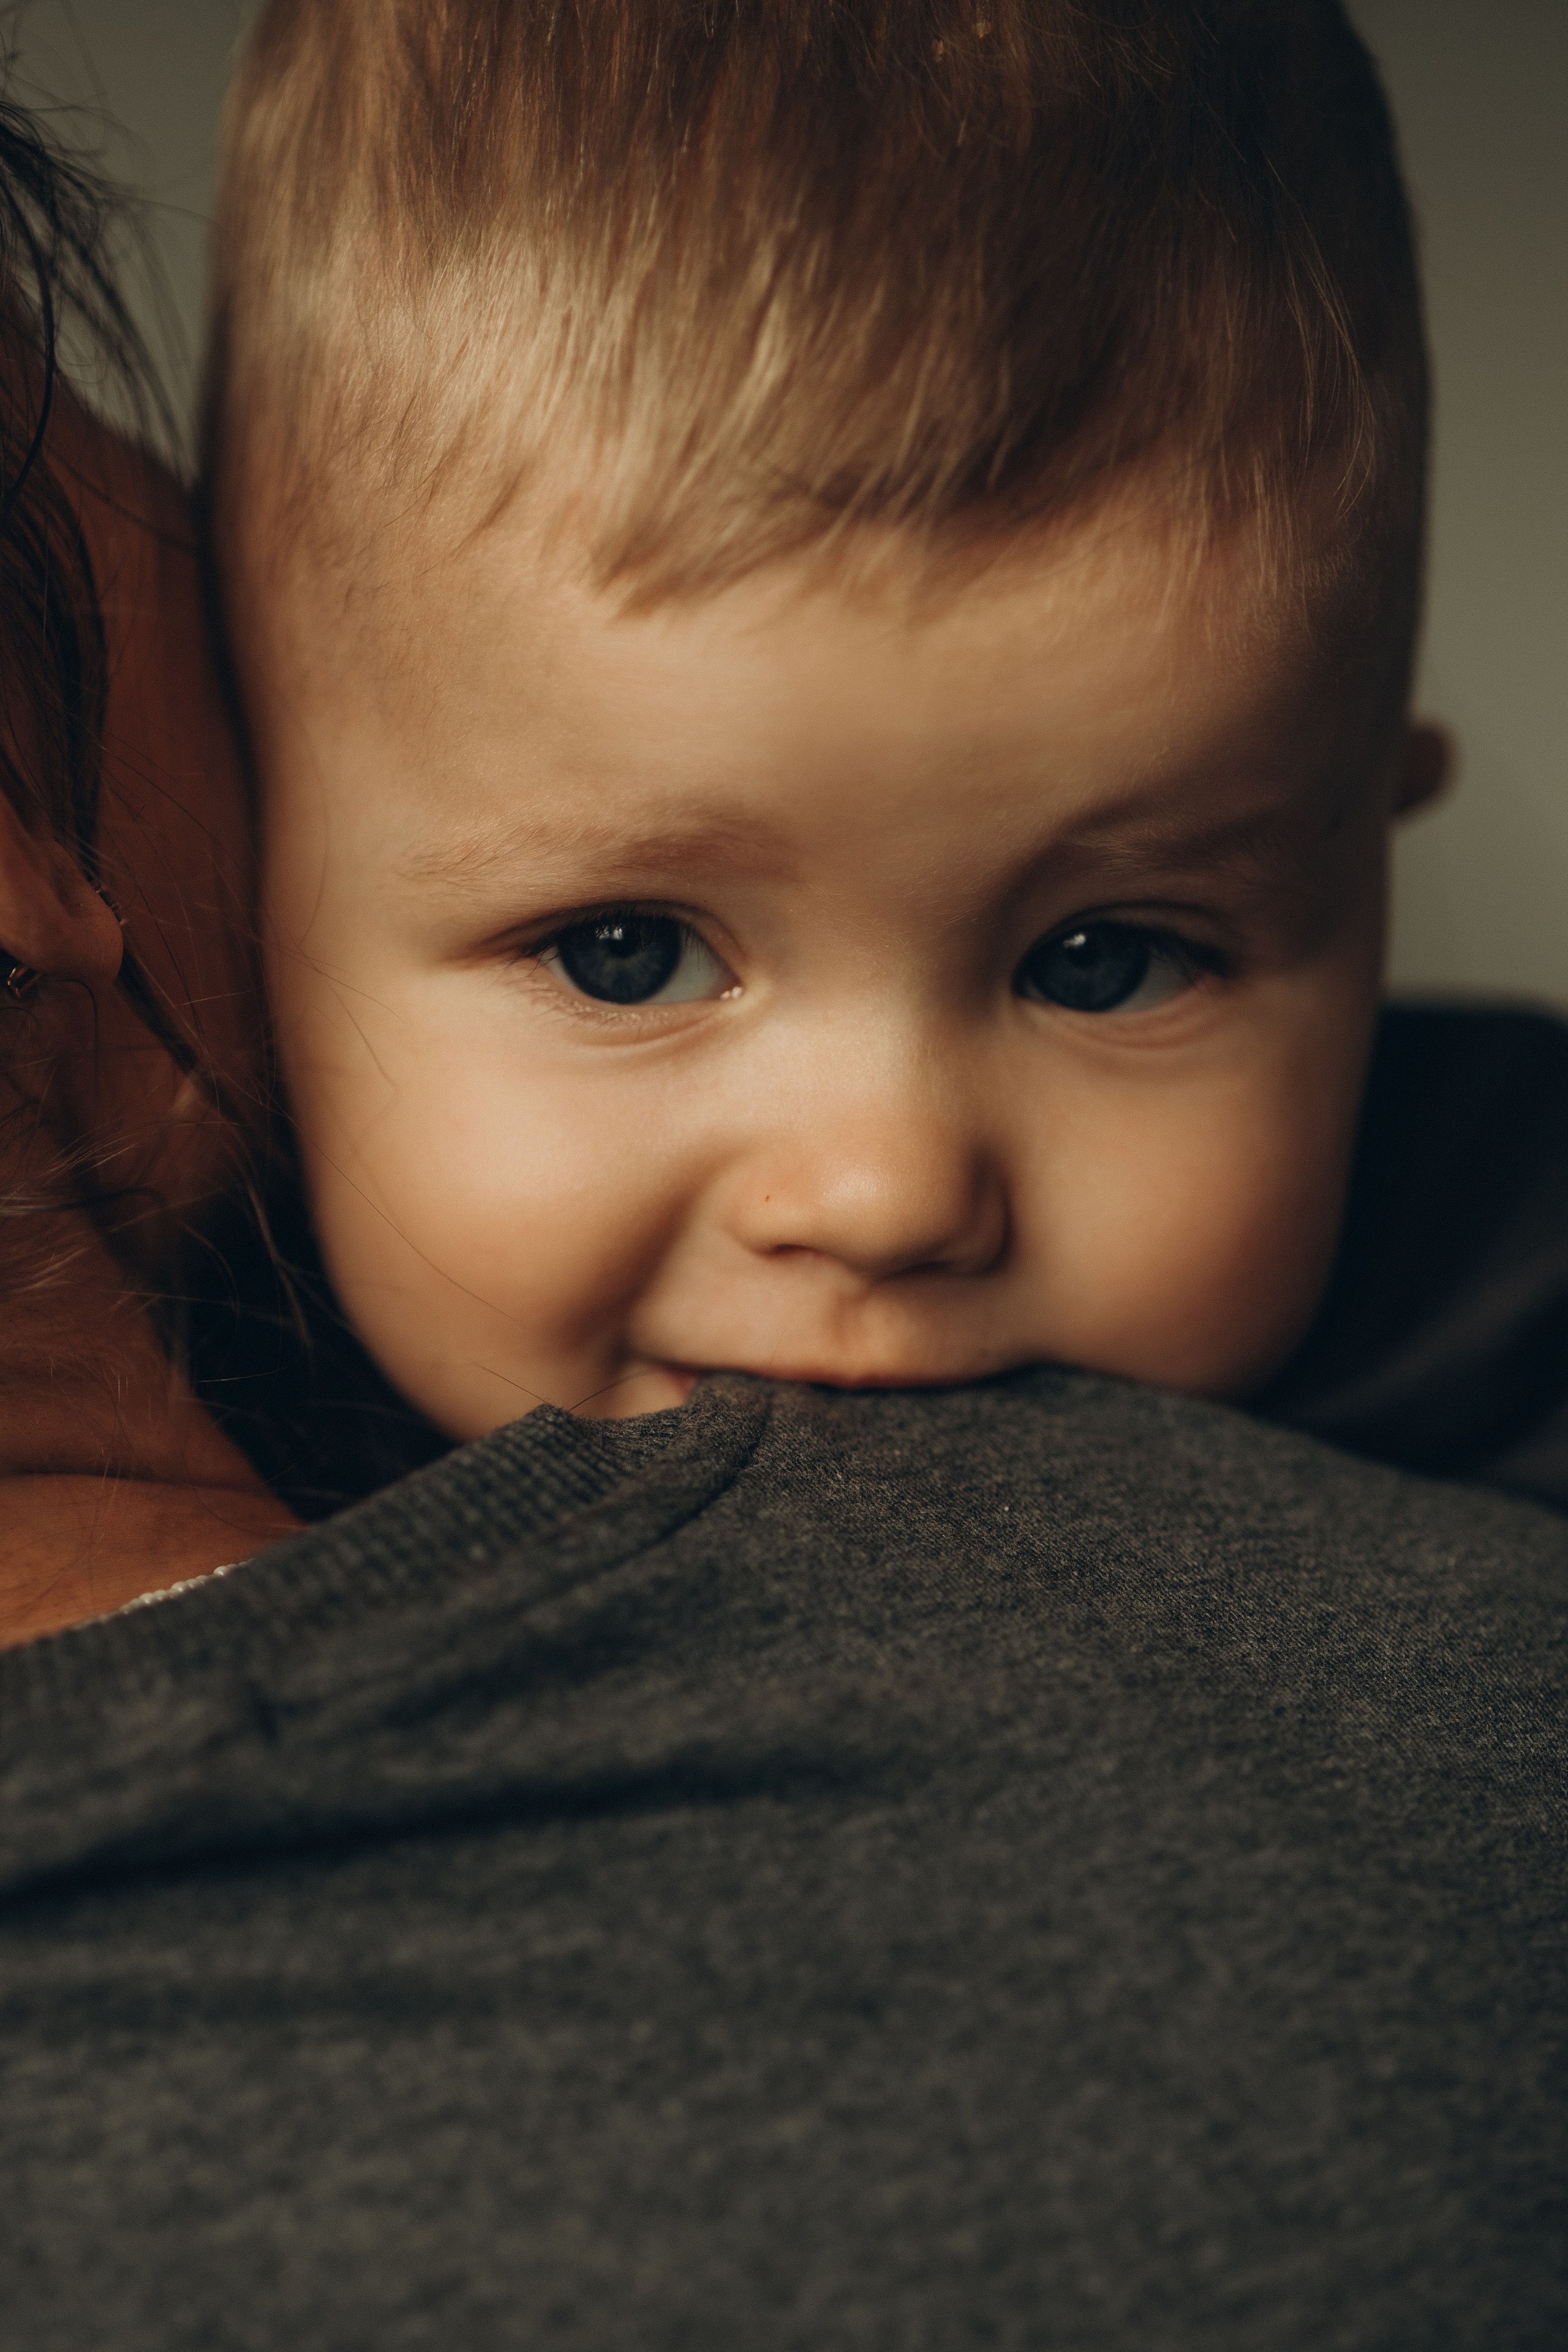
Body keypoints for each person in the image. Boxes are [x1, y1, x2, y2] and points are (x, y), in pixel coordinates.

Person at [0, 13, 1564, 2340]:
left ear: (1366, 858)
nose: (889, 1187)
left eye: (1109, 957)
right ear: (263, 875)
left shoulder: (1508, 1278)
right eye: (627, 952)